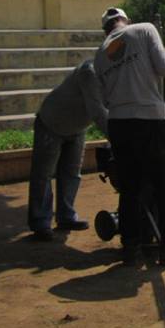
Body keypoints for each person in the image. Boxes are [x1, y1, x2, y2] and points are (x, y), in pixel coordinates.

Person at [93, 6, 165, 266]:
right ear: (125, 20)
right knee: (164, 185)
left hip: (119, 125)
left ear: (106, 28)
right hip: (149, 120)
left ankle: (131, 249)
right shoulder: (145, 30)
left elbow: (103, 98)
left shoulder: (100, 54)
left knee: (130, 189)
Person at [27, 59, 108, 242]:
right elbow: (97, 111)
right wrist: (119, 140)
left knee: (72, 173)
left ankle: (66, 216)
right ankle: (41, 222)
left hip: (77, 127)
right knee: (43, 174)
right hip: (52, 123)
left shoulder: (113, 74)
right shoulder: (90, 71)